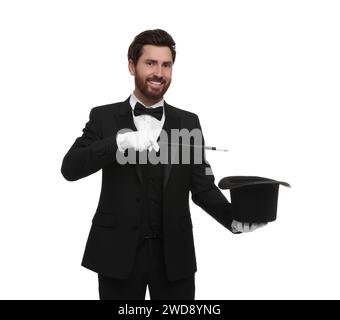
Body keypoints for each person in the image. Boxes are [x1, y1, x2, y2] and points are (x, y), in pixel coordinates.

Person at [61, 29, 266, 300]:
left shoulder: (188, 122)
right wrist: (119, 142)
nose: (159, 72)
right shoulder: (103, 117)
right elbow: (70, 168)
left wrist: (233, 220)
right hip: (117, 254)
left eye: (166, 65)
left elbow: (203, 187)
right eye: (150, 63)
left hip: (175, 257)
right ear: (132, 65)